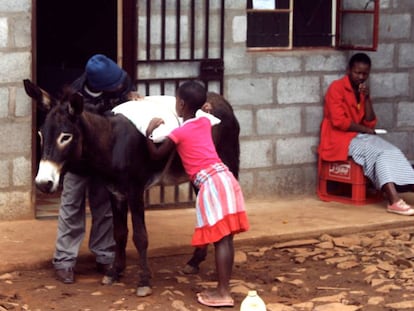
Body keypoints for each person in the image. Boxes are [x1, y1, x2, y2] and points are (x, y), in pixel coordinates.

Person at [145, 81, 249, 307]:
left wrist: (148, 132)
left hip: (210, 184)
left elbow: (155, 155)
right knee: (226, 239)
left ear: (180, 104)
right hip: (225, 178)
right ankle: (224, 288)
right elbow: (205, 114)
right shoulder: (204, 121)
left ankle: (223, 293)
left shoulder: (178, 133)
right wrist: (205, 109)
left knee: (220, 239)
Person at [53, 54, 138, 284]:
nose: (121, 86)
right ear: (98, 85)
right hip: (78, 163)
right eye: (117, 86)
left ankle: (104, 255)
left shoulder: (118, 88)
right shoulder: (74, 100)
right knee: (71, 207)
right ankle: (64, 260)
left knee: (105, 208)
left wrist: (131, 101)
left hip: (104, 161)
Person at [318, 52, 414, 216]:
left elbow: (370, 122)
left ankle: (407, 187)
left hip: (359, 136)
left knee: (393, 151)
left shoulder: (362, 92)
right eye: (357, 73)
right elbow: (339, 122)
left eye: (365, 74)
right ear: (349, 70)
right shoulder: (337, 87)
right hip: (339, 139)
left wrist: (367, 98)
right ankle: (394, 201)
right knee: (379, 153)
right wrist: (365, 130)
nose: (361, 77)